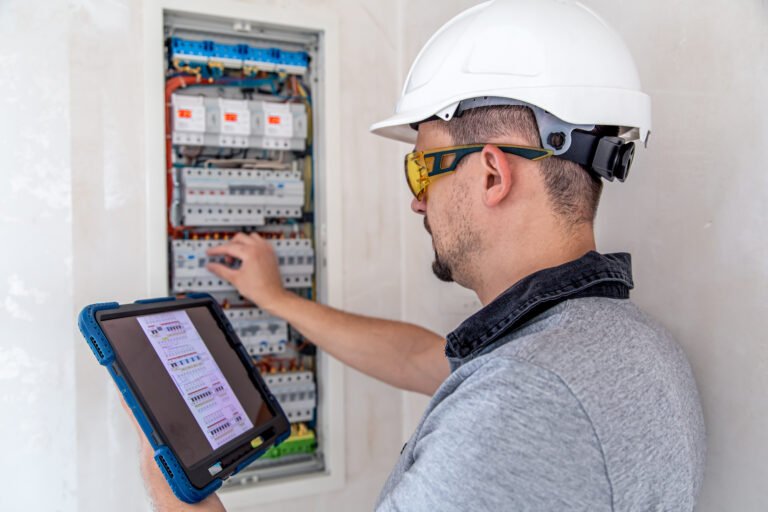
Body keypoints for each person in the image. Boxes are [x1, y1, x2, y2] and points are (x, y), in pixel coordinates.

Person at [131, 0, 705, 510]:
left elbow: (498, 398)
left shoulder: (518, 408)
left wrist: (174, 486)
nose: (416, 201)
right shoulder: (615, 341)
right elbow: (422, 361)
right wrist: (278, 300)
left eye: (422, 167)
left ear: (490, 174)